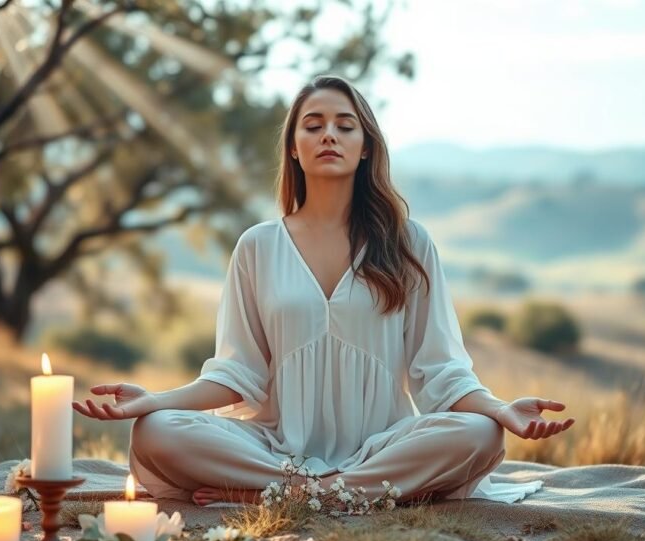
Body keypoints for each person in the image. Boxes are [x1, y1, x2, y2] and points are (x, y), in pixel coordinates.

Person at [73, 74, 575, 506]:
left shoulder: (408, 243)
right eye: (313, 125)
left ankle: (290, 493)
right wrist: (155, 400)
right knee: (158, 431)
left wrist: (500, 410)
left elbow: (440, 369)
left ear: (365, 145)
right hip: (273, 447)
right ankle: (328, 491)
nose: (328, 135)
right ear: (294, 146)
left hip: (384, 446)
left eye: (344, 125)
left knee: (480, 435)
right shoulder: (257, 246)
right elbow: (238, 373)